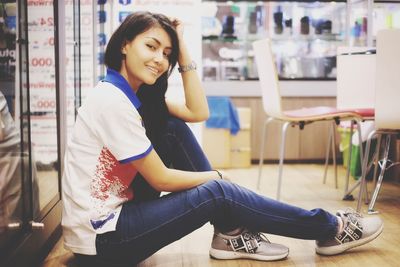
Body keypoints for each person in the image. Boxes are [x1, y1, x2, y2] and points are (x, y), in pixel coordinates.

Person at [61, 11, 383, 267]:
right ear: (124, 45)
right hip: (105, 241)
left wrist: (182, 47)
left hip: (113, 224)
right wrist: (217, 179)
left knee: (172, 127)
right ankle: (329, 228)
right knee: (217, 191)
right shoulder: (111, 101)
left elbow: (198, 111)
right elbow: (161, 178)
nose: (160, 59)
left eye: (166, 52)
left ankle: (230, 233)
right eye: (151, 46)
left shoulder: (132, 97)